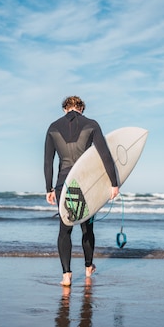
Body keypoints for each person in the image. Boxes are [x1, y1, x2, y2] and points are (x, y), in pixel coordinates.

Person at [44, 96, 119, 286]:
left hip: (64, 184)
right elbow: (105, 156)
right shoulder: (91, 124)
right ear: (81, 109)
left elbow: (48, 162)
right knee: (87, 227)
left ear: (65, 109)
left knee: (65, 230)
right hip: (86, 184)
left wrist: (49, 188)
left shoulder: (53, 127)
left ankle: (66, 276)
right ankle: (88, 268)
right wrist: (114, 183)